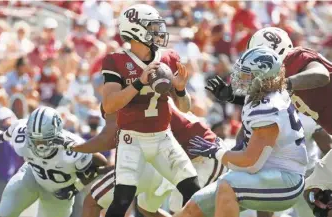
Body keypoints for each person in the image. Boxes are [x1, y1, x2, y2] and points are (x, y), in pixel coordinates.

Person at [175, 47, 308, 217]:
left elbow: (250, 162)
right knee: (194, 206)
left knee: (228, 185)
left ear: (262, 77)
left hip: (287, 181)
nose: (239, 78)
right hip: (266, 174)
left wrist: (218, 152)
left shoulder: (269, 109)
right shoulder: (271, 92)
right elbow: (254, 99)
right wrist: (232, 97)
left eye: (246, 74)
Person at [100, 4, 199, 217]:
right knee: (122, 200)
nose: (158, 32)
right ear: (135, 30)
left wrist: (180, 91)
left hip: (163, 137)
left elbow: (185, 108)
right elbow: (109, 105)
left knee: (194, 191)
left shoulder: (168, 58)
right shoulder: (116, 60)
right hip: (132, 139)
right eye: (152, 27)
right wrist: (139, 82)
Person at [57, 102, 228, 217]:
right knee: (146, 207)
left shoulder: (135, 113)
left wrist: (72, 148)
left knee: (186, 212)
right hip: (181, 159)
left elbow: (111, 143)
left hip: (204, 156)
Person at [0, 106, 107, 217]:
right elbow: (12, 131)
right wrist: (1, 136)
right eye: (35, 140)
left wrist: (75, 187)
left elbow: (101, 163)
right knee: (5, 211)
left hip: (58, 191)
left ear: (56, 135)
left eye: (44, 141)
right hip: (31, 176)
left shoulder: (73, 148)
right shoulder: (21, 132)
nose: (39, 146)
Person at [208, 27, 332, 134]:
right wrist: (232, 98)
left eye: (258, 57)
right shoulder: (278, 75)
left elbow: (321, 75)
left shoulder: (295, 58)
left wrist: (282, 84)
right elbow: (262, 99)